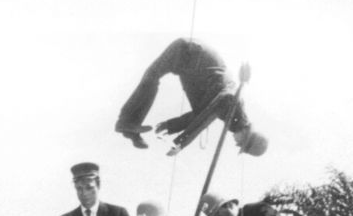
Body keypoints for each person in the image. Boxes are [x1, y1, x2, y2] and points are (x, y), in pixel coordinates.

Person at [114, 37, 268, 157]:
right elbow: (205, 117)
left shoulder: (232, 114)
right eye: (241, 144)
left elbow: (200, 114)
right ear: (247, 135)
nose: (236, 144)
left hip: (189, 59)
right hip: (189, 52)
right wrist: (181, 143)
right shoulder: (233, 103)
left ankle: (129, 128)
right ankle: (127, 123)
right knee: (152, 76)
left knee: (152, 76)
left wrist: (169, 126)